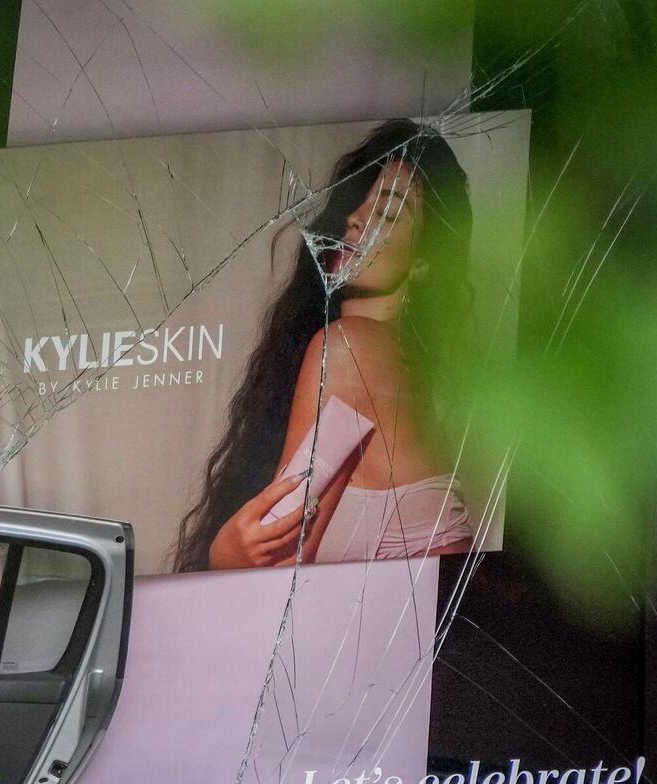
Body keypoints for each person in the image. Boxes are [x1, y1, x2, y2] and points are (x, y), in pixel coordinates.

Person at [171, 120, 478, 572]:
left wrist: (225, 555)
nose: (356, 219)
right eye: (359, 202)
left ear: (424, 262)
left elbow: (274, 568)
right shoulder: (397, 367)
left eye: (388, 214)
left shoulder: (354, 349)